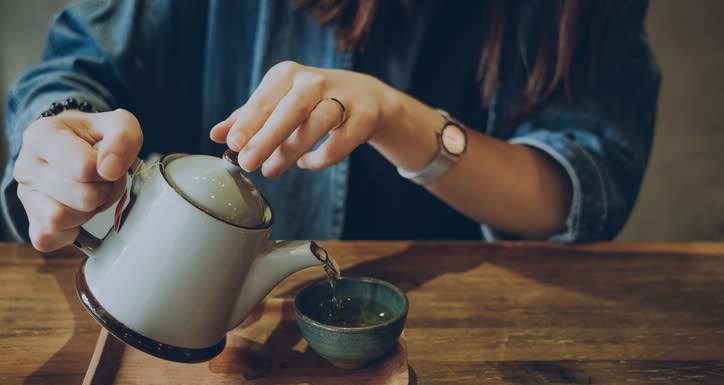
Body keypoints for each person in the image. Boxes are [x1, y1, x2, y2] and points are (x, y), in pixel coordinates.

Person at [1, 0, 660, 251]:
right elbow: (76, 69)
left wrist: (401, 118)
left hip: (457, 343)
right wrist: (57, 134)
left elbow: (577, 190)